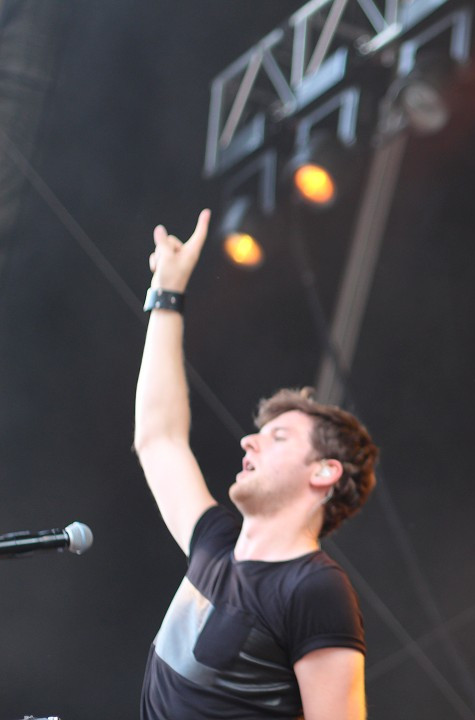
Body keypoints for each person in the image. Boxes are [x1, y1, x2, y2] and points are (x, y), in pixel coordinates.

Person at [133, 209, 378, 720]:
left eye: (278, 436)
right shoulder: (214, 545)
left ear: (324, 472)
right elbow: (158, 438)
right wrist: (166, 296)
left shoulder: (314, 589)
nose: (250, 442)